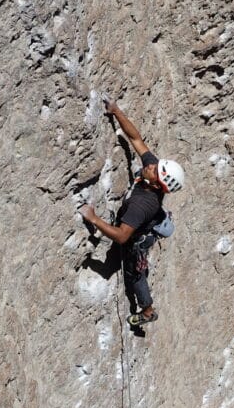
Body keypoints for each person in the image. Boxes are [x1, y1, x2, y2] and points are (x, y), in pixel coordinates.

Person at [78, 100, 185, 327]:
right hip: (142, 223)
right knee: (136, 271)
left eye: (155, 169)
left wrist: (94, 218)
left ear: (159, 182)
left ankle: (147, 311)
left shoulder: (142, 204)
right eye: (154, 166)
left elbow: (122, 236)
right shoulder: (151, 175)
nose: (150, 165)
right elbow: (136, 139)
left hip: (137, 238)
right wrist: (117, 112)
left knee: (135, 276)